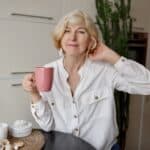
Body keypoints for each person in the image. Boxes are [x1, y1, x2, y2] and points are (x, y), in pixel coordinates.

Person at [22, 10, 150, 150]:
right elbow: (47, 125)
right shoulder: (47, 71)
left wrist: (111, 56)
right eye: (67, 31)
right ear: (60, 37)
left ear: (91, 39)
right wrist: (34, 94)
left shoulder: (105, 70)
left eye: (81, 32)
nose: (72, 37)